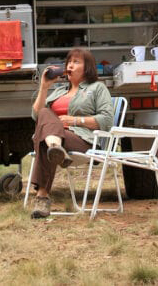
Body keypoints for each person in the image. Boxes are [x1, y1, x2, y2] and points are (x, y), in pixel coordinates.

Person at [30, 47, 114, 219]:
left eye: (76, 62)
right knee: (45, 114)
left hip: (82, 139)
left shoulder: (97, 88)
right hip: (57, 138)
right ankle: (55, 148)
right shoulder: (60, 91)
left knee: (43, 137)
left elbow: (106, 120)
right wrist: (44, 87)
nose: (70, 65)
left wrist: (75, 120)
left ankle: (43, 197)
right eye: (69, 62)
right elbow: (36, 115)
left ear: (87, 67)